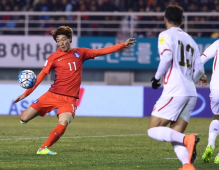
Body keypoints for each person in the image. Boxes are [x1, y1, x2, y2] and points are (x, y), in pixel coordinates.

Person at [13, 25, 136, 155]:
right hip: (52, 94)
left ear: (70, 39)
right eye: (58, 41)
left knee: (64, 122)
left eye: (64, 39)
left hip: (69, 99)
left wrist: (123, 45)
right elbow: (41, 76)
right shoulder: (53, 58)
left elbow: (101, 51)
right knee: (24, 118)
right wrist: (25, 94)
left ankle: (43, 148)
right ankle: (27, 115)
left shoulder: (80, 53)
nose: (61, 43)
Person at [147, 5, 207, 170]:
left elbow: (166, 58)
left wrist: (156, 78)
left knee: (153, 130)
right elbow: (200, 70)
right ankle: (187, 165)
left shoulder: (165, 35)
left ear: (164, 19)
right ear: (182, 21)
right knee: (175, 134)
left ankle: (188, 140)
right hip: (191, 93)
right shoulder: (191, 41)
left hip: (175, 90)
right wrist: (190, 80)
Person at [201, 40, 219, 164]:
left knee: (216, 117)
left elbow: (200, 60)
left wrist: (202, 75)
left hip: (216, 86)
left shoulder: (218, 43)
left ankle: (210, 144)